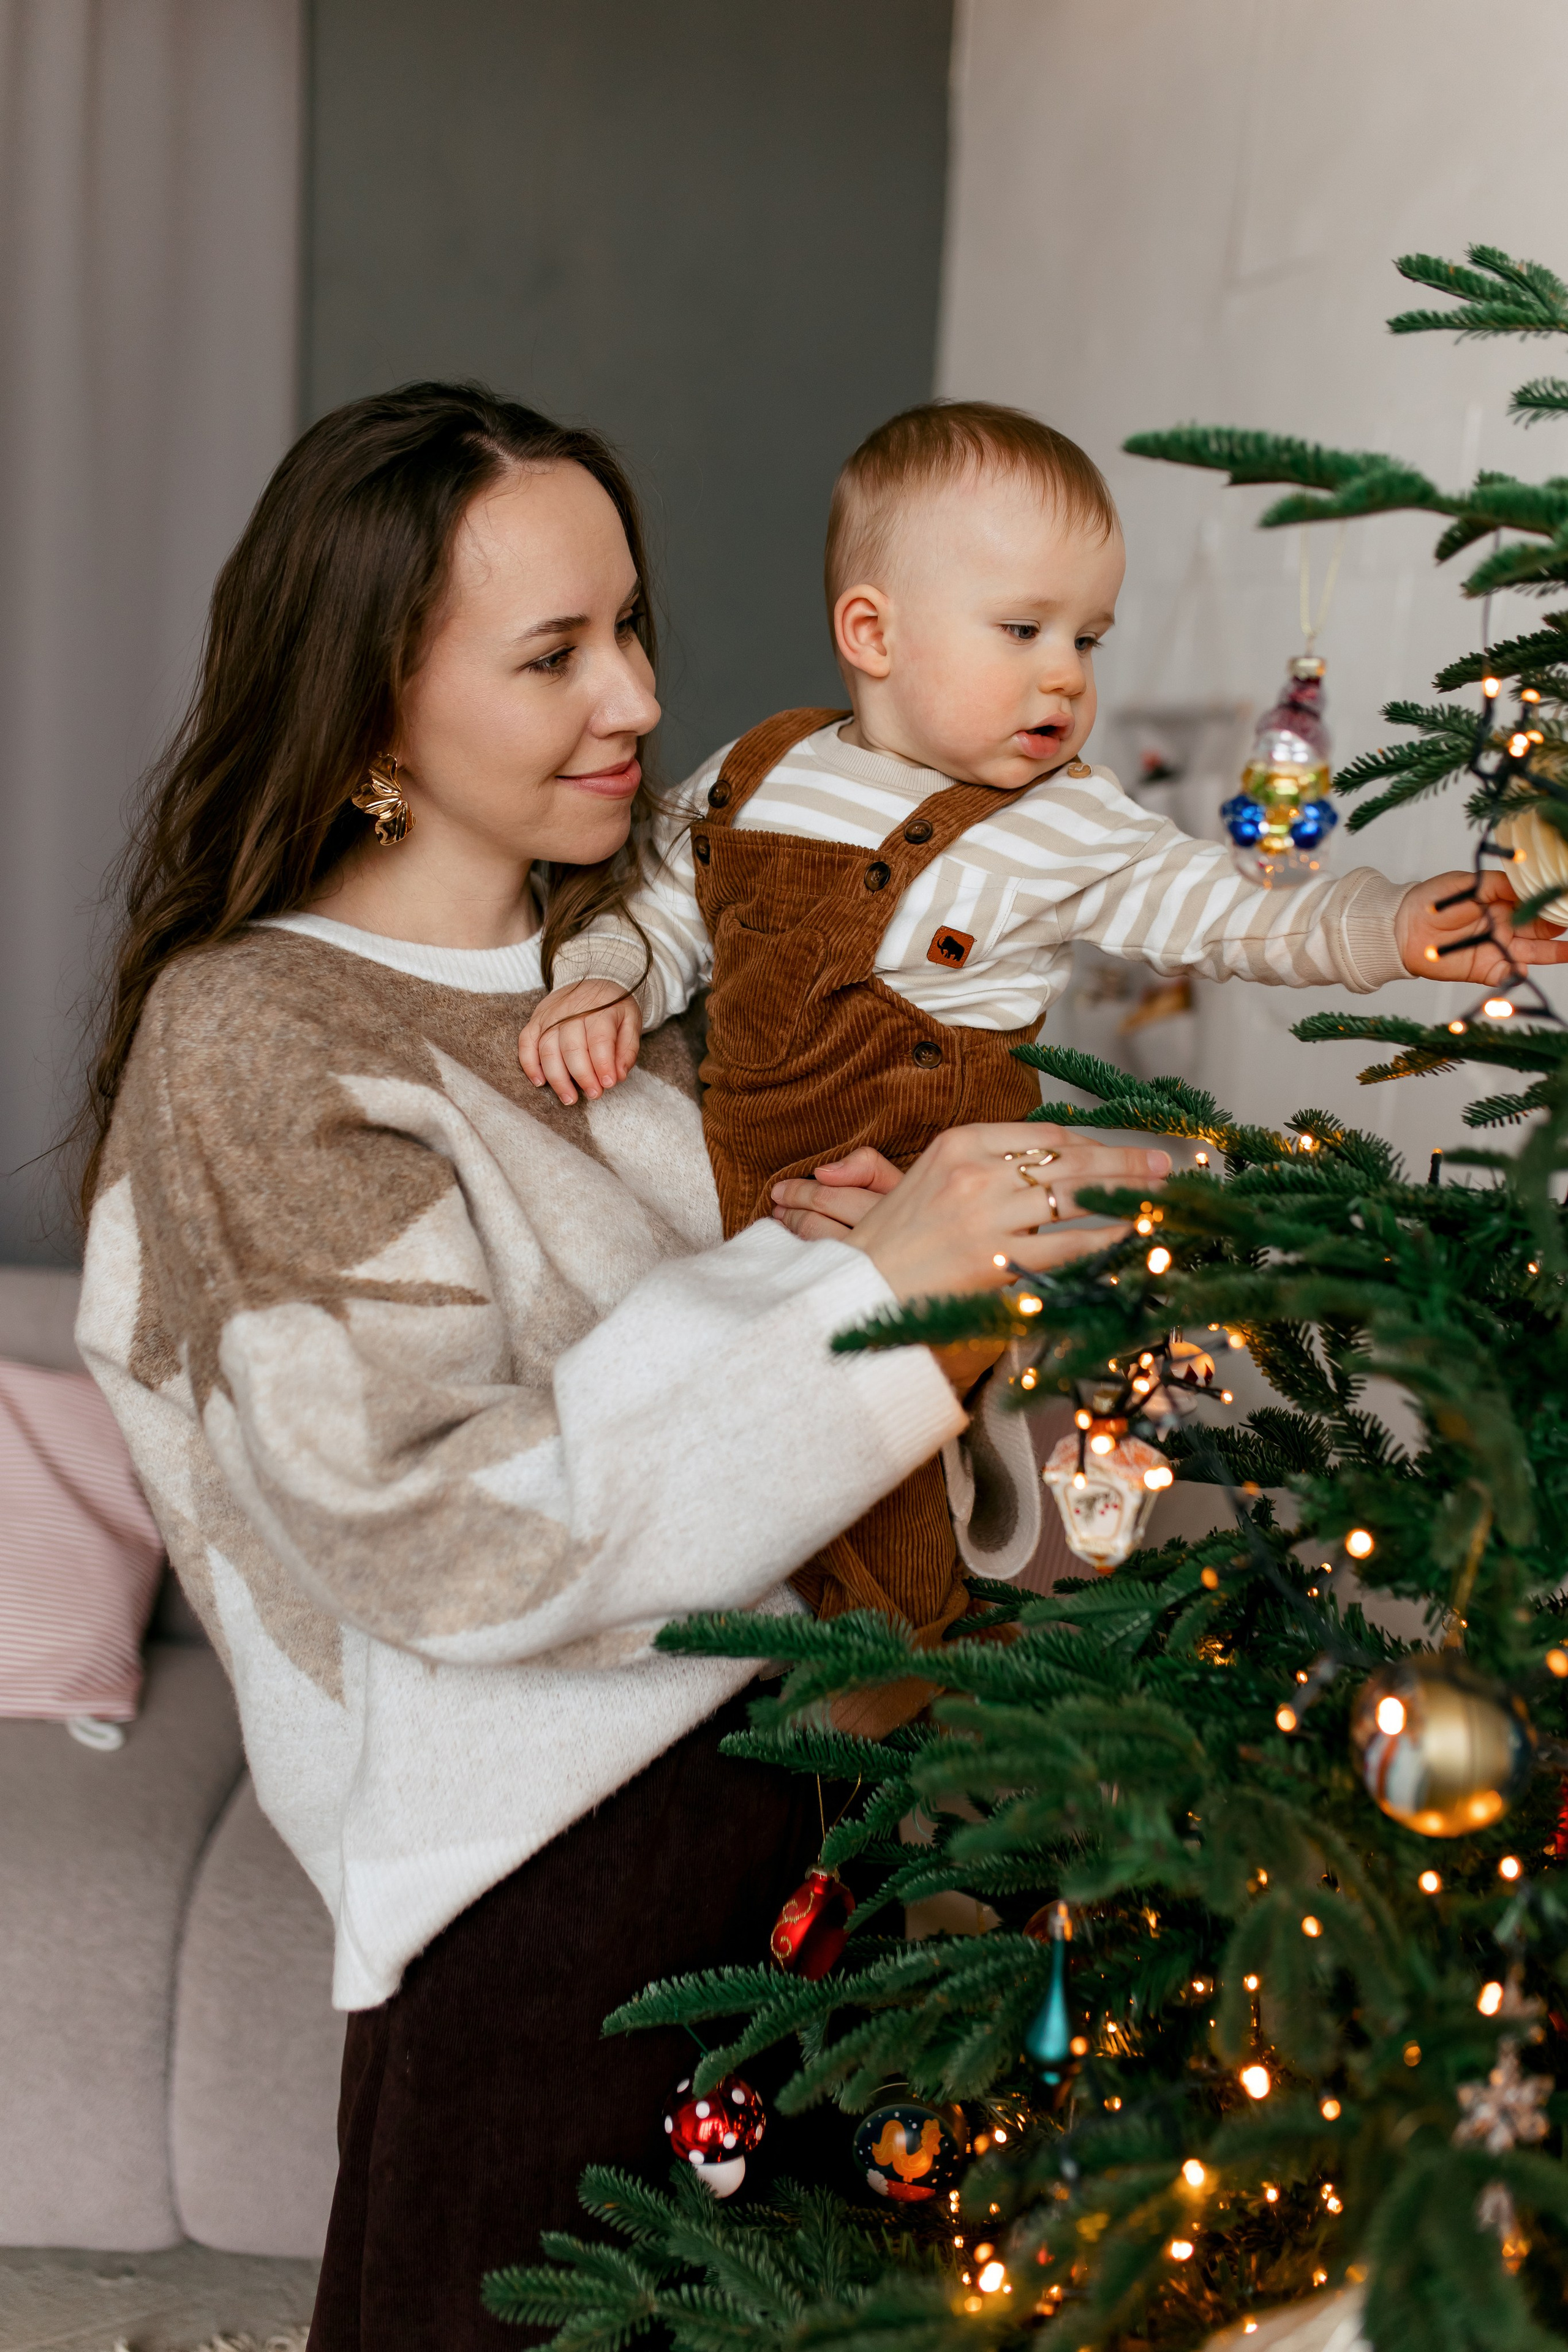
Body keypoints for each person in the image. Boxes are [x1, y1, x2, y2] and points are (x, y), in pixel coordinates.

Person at [69, 384, 1165, 2352]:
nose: (640, 696)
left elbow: (840, 1425)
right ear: (372, 705)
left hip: (830, 1820)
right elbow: (435, 1536)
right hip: (544, 1891)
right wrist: (863, 1299)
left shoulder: (667, 989)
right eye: (553, 653)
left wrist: (941, 1291)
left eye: (635, 625)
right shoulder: (258, 1037)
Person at [517, 397, 1568, 1645]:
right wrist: (605, 983)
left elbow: (1227, 906)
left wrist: (1386, 925)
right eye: (1021, 630)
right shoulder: (762, 769)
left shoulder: (1069, 822)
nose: (1064, 674)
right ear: (873, 632)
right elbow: (659, 902)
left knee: (900, 1507)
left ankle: (901, 1725)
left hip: (938, 1213)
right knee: (724, 1478)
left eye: (1086, 637)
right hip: (750, 1203)